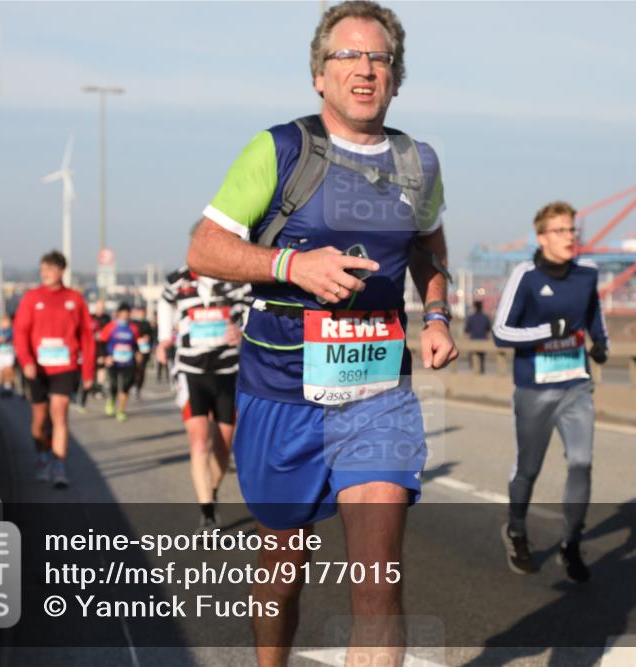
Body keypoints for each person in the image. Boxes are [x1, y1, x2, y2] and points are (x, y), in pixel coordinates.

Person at [186, 2, 457, 663]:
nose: (365, 70)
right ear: (319, 73)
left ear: (396, 76)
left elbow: (429, 245)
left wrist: (439, 312)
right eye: (348, 56)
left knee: (379, 577)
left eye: (379, 58)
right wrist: (291, 264)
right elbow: (204, 248)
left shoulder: (417, 161)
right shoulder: (281, 149)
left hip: (378, 393)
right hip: (282, 392)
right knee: (283, 560)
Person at [492, 201, 609, 583]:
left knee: (581, 463)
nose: (570, 237)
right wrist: (547, 331)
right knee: (529, 469)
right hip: (534, 390)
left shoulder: (588, 273)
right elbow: (501, 332)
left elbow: (594, 314)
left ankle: (570, 545)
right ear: (541, 238)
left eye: (573, 230)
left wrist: (600, 342)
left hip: (577, 384)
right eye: (561, 231)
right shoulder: (524, 275)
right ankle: (516, 530)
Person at [157, 265, 252, 530]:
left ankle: (210, 492)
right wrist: (164, 339)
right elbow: (164, 302)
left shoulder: (236, 276)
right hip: (190, 370)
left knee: (223, 444)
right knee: (198, 440)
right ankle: (207, 513)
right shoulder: (178, 279)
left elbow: (252, 311)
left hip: (228, 370)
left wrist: (243, 331)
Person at [13, 251, 95, 488]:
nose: (44, 274)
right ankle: (42, 458)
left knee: (59, 413)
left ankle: (58, 465)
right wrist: (26, 360)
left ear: (61, 270)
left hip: (64, 365)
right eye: (42, 270)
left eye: (49, 269)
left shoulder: (74, 299)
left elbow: (86, 337)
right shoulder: (31, 298)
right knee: (39, 418)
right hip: (37, 368)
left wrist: (88, 371)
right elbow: (20, 332)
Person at [100, 303, 140, 422]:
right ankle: (111, 400)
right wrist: (106, 357)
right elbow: (102, 342)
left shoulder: (133, 328)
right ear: (118, 313)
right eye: (123, 312)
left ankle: (121, 411)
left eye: (127, 312)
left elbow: (135, 344)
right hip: (113, 361)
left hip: (128, 362)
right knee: (113, 386)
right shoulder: (110, 327)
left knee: (125, 388)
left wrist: (138, 354)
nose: (125, 315)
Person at [131, 305, 154, 398]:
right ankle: (133, 384)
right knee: (134, 369)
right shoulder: (133, 323)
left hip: (145, 350)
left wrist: (148, 339)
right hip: (134, 350)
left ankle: (138, 387)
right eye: (140, 312)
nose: (141, 314)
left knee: (142, 370)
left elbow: (152, 336)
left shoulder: (147, 323)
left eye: (143, 312)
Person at [0, 315, 16, 397]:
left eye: (8, 322)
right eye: (4, 322)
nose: (6, 324)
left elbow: (16, 341)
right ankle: (3, 386)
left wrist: (8, 341)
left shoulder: (12, 331)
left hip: (9, 353)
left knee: (8, 369)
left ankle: (8, 387)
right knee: (2, 372)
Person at [464, 300, 492, 373]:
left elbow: (466, 331)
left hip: (473, 341)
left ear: (475, 307)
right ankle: (481, 373)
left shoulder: (471, 318)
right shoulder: (485, 317)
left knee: (472, 361)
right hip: (483, 341)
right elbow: (488, 330)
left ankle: (474, 373)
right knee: (481, 360)